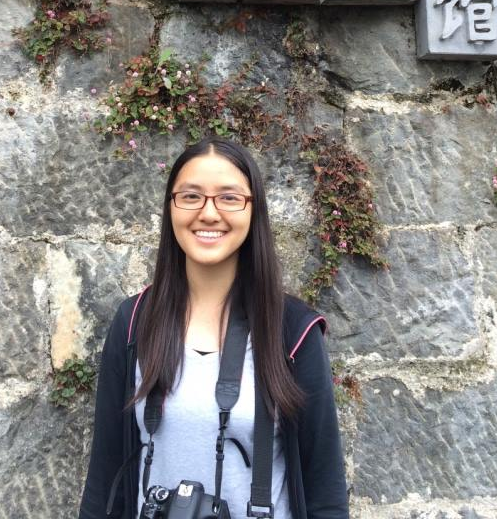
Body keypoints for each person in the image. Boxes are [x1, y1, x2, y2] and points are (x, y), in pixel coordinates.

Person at [78, 137, 349, 519]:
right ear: (170, 207)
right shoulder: (134, 321)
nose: (208, 213)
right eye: (191, 196)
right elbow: (104, 481)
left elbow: (326, 494)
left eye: (229, 197)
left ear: (253, 209)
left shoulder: (293, 332)